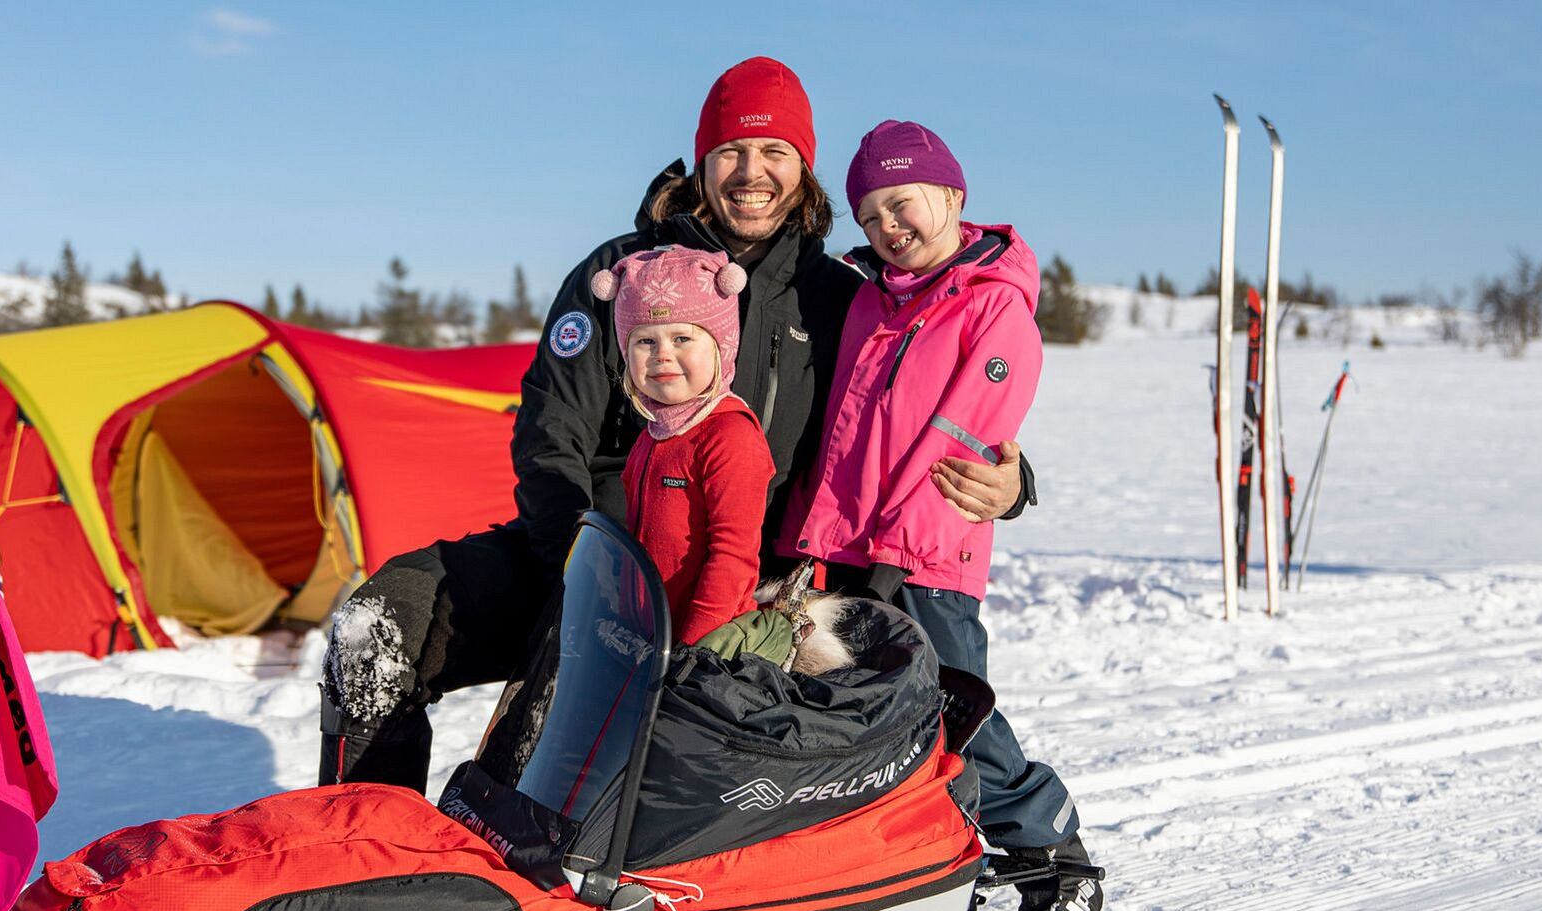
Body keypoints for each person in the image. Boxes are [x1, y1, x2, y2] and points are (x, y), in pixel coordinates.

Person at [316, 58, 1030, 793]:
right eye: (731, 152)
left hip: (739, 585)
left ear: (805, 170)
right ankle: (362, 844)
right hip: (591, 555)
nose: (752, 173)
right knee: (382, 619)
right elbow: (550, 433)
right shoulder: (623, 273)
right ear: (702, 164)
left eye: (776, 153)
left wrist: (1013, 477)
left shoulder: (844, 300)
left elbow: (913, 410)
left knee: (546, 753)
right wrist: (582, 565)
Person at [784, 119, 1101, 911]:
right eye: (873, 213)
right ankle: (932, 870)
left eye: (904, 202)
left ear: (954, 198)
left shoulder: (992, 302)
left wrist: (891, 554)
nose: (891, 225)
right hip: (846, 553)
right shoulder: (868, 297)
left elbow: (964, 441)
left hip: (924, 560)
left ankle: (1054, 861)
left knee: (955, 720)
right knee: (868, 729)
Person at [595, 247, 772, 644]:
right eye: (644, 342)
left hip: (708, 650)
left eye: (681, 338)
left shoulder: (729, 436)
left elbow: (733, 558)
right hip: (652, 637)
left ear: (720, 347)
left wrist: (692, 650)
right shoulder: (653, 434)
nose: (662, 356)